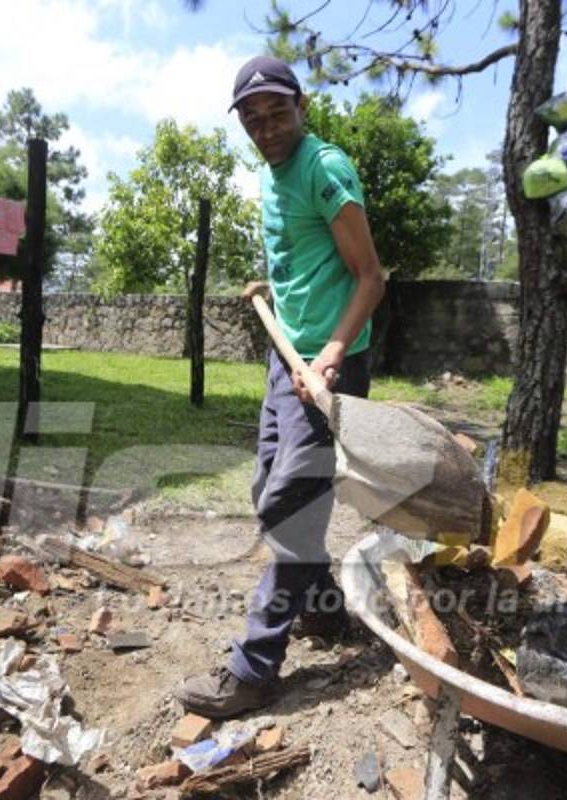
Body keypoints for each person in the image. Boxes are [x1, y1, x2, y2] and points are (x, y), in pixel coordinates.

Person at [175, 56, 385, 719]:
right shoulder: (271, 175)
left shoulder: (324, 169)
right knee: (270, 491)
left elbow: (371, 276)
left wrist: (328, 357)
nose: (266, 127)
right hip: (284, 356)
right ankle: (323, 612)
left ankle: (254, 668)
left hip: (331, 365)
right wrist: (285, 334)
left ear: (302, 106)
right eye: (252, 117)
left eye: (277, 112)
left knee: (294, 505)